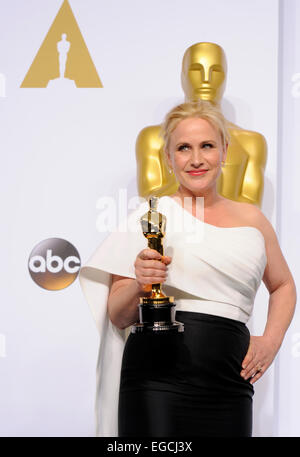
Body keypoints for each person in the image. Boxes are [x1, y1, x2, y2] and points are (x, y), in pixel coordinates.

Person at [79, 100, 296, 437]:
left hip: (230, 382)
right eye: (183, 148)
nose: (196, 159)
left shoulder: (254, 220)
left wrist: (271, 341)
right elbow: (119, 316)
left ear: (224, 150)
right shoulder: (150, 216)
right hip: (156, 379)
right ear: (168, 158)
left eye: (207, 146)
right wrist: (139, 284)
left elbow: (283, 285)